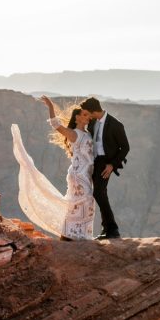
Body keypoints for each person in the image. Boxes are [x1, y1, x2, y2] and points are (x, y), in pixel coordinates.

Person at [11, 97, 96, 240]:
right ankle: (72, 235)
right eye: (85, 115)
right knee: (80, 203)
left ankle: (75, 235)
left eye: (89, 115)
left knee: (85, 204)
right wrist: (50, 106)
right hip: (78, 175)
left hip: (86, 174)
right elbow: (56, 125)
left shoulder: (87, 134)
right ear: (77, 118)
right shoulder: (74, 133)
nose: (88, 117)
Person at [80, 96, 130, 240]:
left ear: (93, 111)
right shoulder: (93, 121)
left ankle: (112, 229)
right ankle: (107, 229)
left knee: (99, 192)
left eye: (87, 113)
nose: (87, 116)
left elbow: (125, 147)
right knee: (100, 193)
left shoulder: (115, 124)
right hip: (93, 161)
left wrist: (112, 165)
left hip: (106, 163)